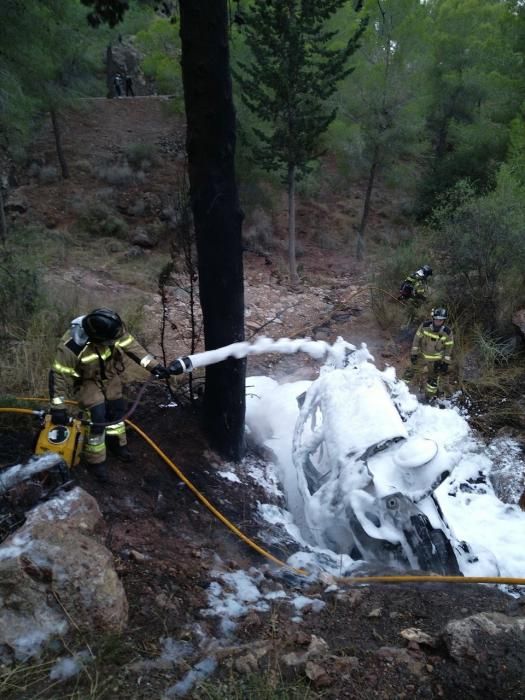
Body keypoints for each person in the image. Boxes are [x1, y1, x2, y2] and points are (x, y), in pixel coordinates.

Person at [49, 308, 170, 482]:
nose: (117, 339)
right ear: (96, 338)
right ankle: (96, 461)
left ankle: (116, 445)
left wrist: (154, 366)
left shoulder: (112, 329)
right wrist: (58, 407)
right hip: (86, 381)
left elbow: (133, 347)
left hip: (109, 376)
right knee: (98, 416)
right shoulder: (72, 346)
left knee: (117, 409)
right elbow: (58, 376)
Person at [408, 307, 454, 402]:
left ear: (444, 320)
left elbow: (449, 349)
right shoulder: (425, 326)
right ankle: (400, 389)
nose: (438, 321)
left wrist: (445, 363)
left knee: (432, 380)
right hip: (422, 356)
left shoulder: (447, 333)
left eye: (440, 320)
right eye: (436, 319)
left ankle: (428, 398)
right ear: (433, 318)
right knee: (410, 370)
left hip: (436, 361)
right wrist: (414, 354)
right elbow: (416, 339)